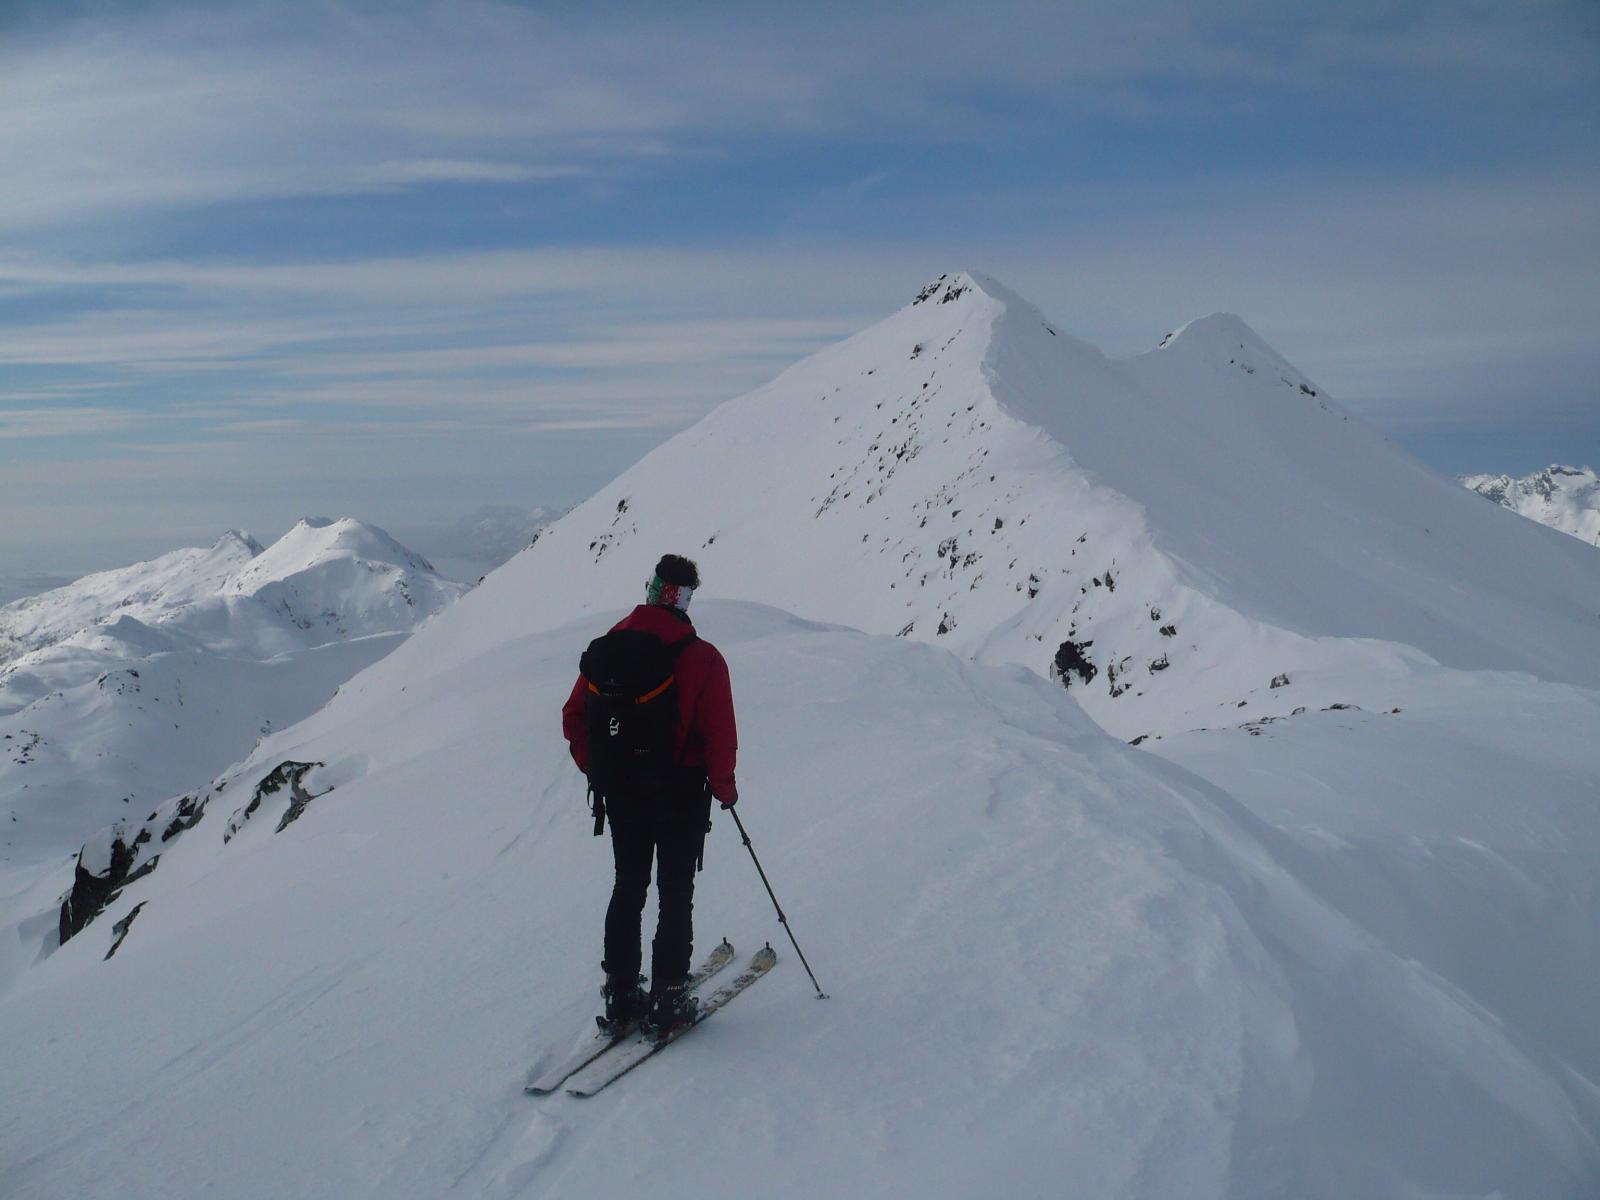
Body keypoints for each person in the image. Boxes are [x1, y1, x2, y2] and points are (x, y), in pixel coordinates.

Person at [561, 554, 738, 1039]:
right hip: (680, 792)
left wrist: (601, 769)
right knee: (674, 893)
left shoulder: (609, 646)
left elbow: (574, 716)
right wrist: (725, 789)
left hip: (621, 793)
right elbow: (719, 735)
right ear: (683, 597)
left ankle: (620, 994)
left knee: (628, 886)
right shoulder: (702, 657)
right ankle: (669, 997)